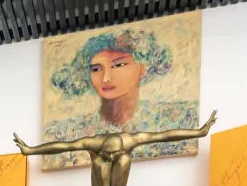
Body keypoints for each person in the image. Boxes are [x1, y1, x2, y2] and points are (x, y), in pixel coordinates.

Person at [43, 27, 200, 168]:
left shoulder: (179, 117)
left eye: (118, 65)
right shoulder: (66, 132)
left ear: (143, 67)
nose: (106, 78)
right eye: (96, 69)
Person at [15, 110, 216, 186]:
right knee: (99, 163)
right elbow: (63, 146)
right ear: (101, 148)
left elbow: (164, 135)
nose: (111, 157)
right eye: (108, 154)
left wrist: (199, 132)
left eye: (114, 153)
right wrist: (30, 150)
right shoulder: (93, 143)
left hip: (119, 184)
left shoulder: (131, 140)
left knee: (125, 159)